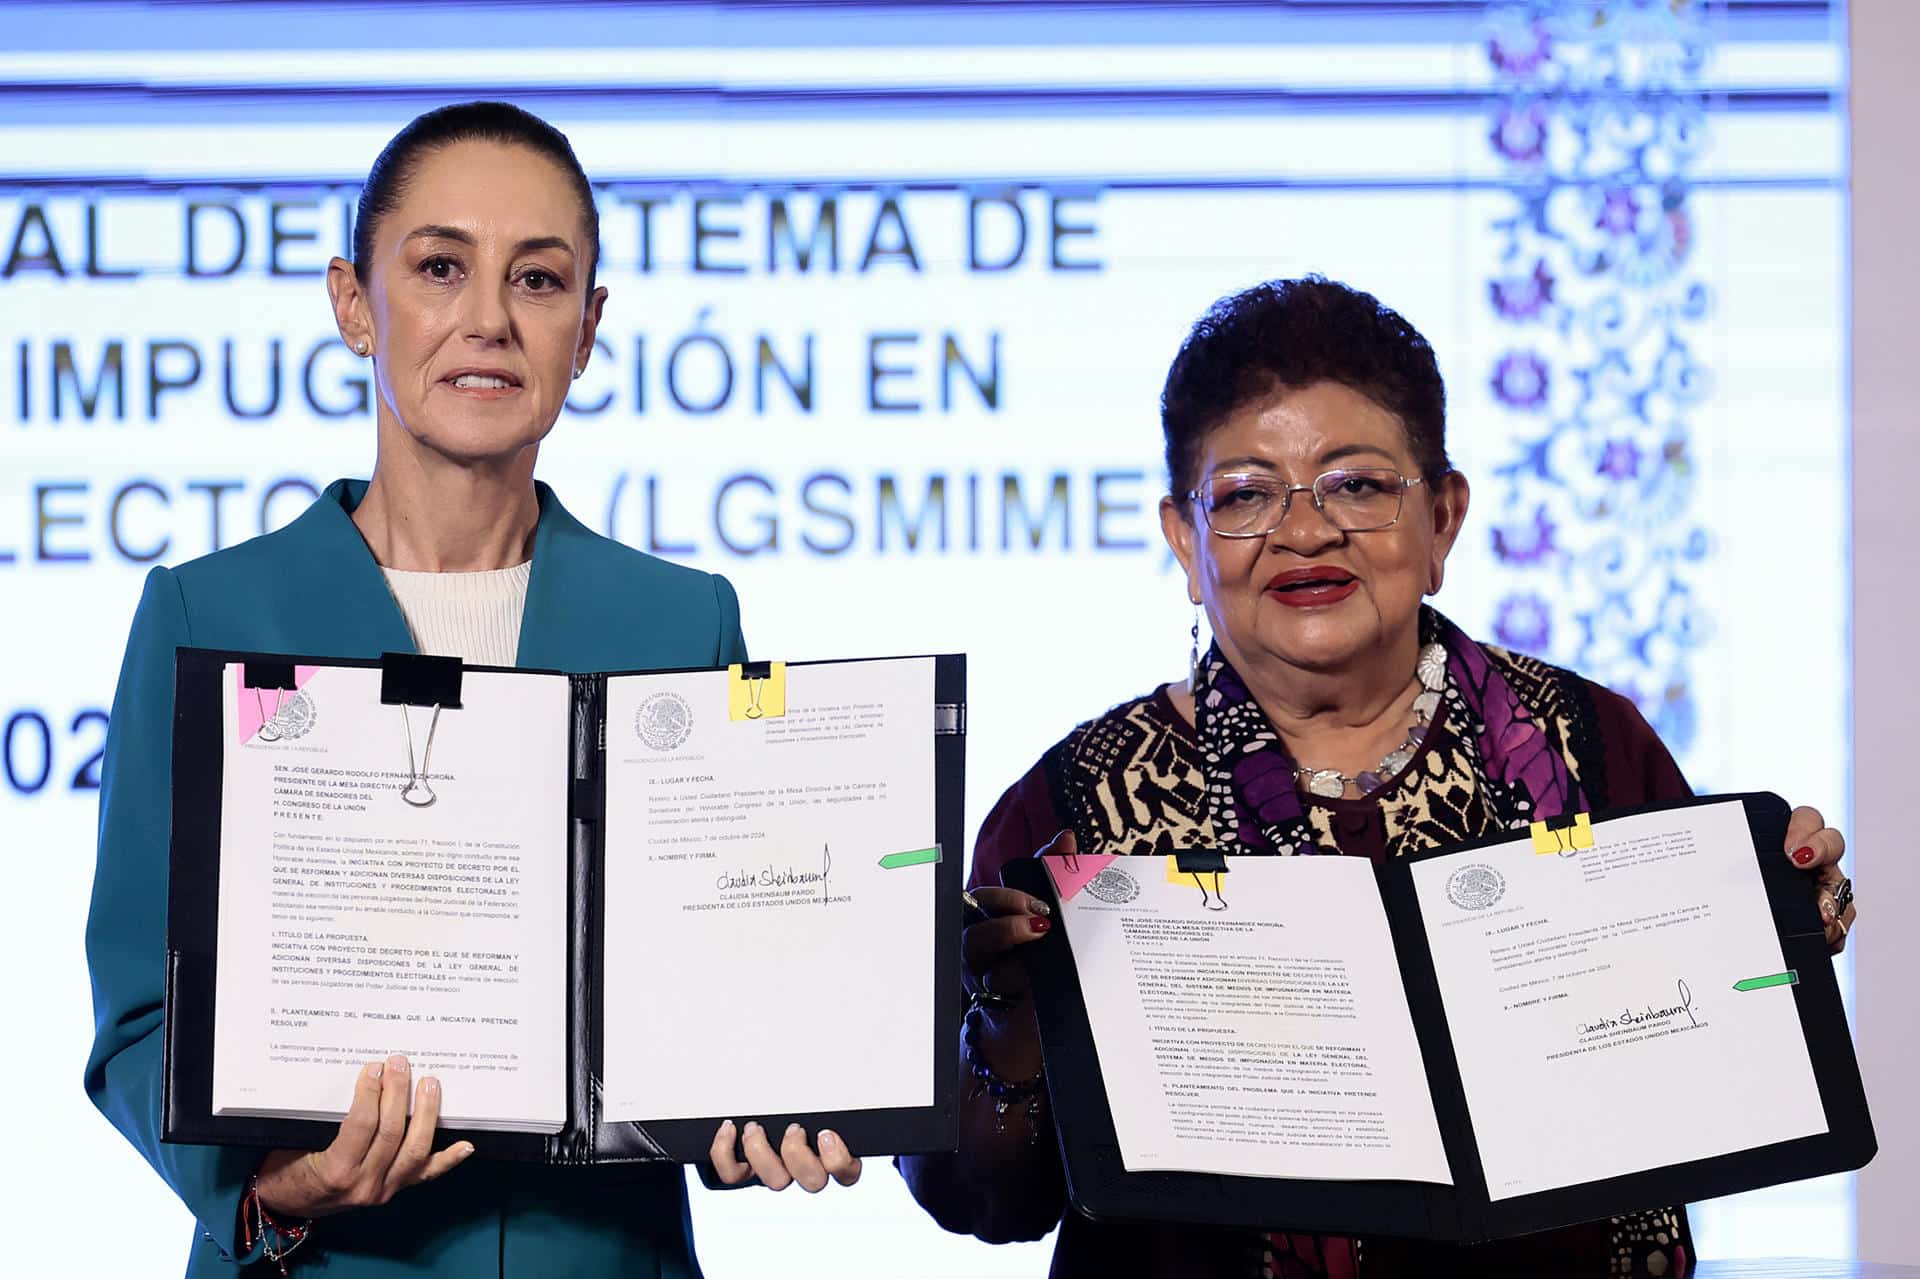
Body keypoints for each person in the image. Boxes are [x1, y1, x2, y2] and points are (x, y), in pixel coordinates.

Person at [899, 276, 1857, 1279]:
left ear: (1442, 516)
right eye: (1245, 495)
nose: (1305, 530)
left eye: (1356, 483)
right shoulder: (1076, 807)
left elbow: (1701, 1068)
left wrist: (1783, 932)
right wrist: (1010, 1030)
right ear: (1186, 541)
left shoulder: (1588, 743)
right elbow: (982, 1204)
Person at [83, 102, 857, 1278]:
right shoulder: (207, 617)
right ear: (355, 303)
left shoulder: (680, 619)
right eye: (440, 267)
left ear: (589, 327)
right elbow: (140, 1019)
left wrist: (778, 1101)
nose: (489, 320)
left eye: (539, 281)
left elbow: (709, 998)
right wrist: (275, 1187)